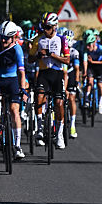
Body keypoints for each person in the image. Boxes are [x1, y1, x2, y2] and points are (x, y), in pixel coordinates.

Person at [0, 20, 27, 159]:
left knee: (14, 110)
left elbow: (21, 72)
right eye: (1, 37)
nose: (3, 40)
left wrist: (23, 90)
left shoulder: (17, 49)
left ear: (14, 37)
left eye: (6, 38)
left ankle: (17, 146)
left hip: (11, 79)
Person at [31, 12, 69, 149]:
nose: (44, 30)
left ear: (54, 27)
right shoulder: (38, 40)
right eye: (43, 27)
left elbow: (67, 60)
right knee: (39, 97)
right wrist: (37, 56)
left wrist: (52, 55)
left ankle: (59, 135)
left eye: (47, 27)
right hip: (43, 73)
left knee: (59, 103)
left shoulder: (62, 39)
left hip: (57, 74)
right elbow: (29, 59)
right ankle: (40, 129)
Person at [82, 31, 102, 114]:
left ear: (94, 43)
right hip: (91, 67)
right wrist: (85, 72)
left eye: (89, 44)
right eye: (87, 44)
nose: (88, 46)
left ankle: (100, 103)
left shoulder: (101, 49)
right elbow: (85, 62)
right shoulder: (86, 50)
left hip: (100, 66)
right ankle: (87, 98)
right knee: (90, 81)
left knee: (100, 85)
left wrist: (93, 62)